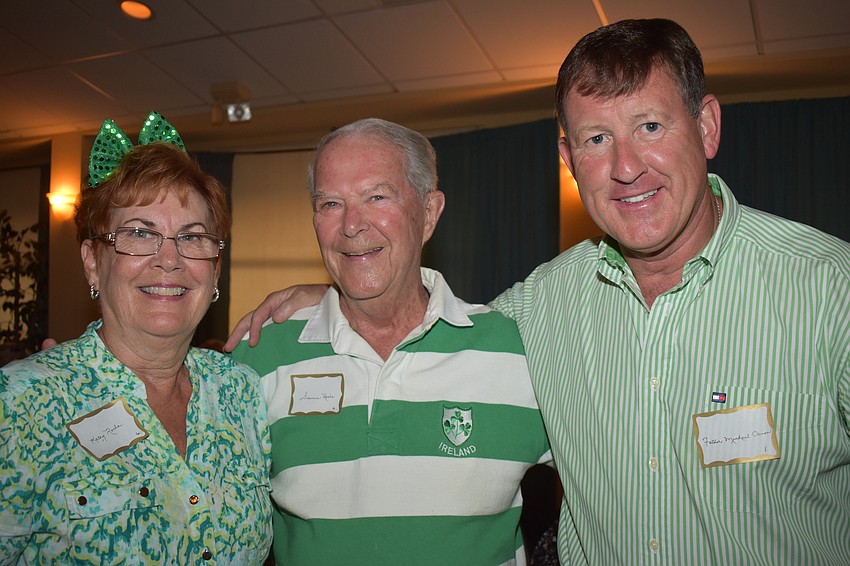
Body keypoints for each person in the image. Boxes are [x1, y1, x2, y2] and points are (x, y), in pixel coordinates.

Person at [227, 19, 850, 565]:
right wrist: (339, 290)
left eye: (651, 125)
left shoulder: (828, 288)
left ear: (707, 126)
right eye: (596, 139)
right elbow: (417, 322)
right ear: (568, 158)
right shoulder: (540, 307)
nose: (626, 166)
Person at [230, 118, 551, 565]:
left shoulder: (517, 350)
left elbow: (612, 488)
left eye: (377, 197)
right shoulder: (259, 355)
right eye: (330, 204)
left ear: (430, 213)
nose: (351, 226)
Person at [0, 112, 272, 564]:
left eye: (193, 237)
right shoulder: (22, 404)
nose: (170, 260)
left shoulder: (242, 390)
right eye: (140, 234)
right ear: (92, 260)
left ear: (216, 268)